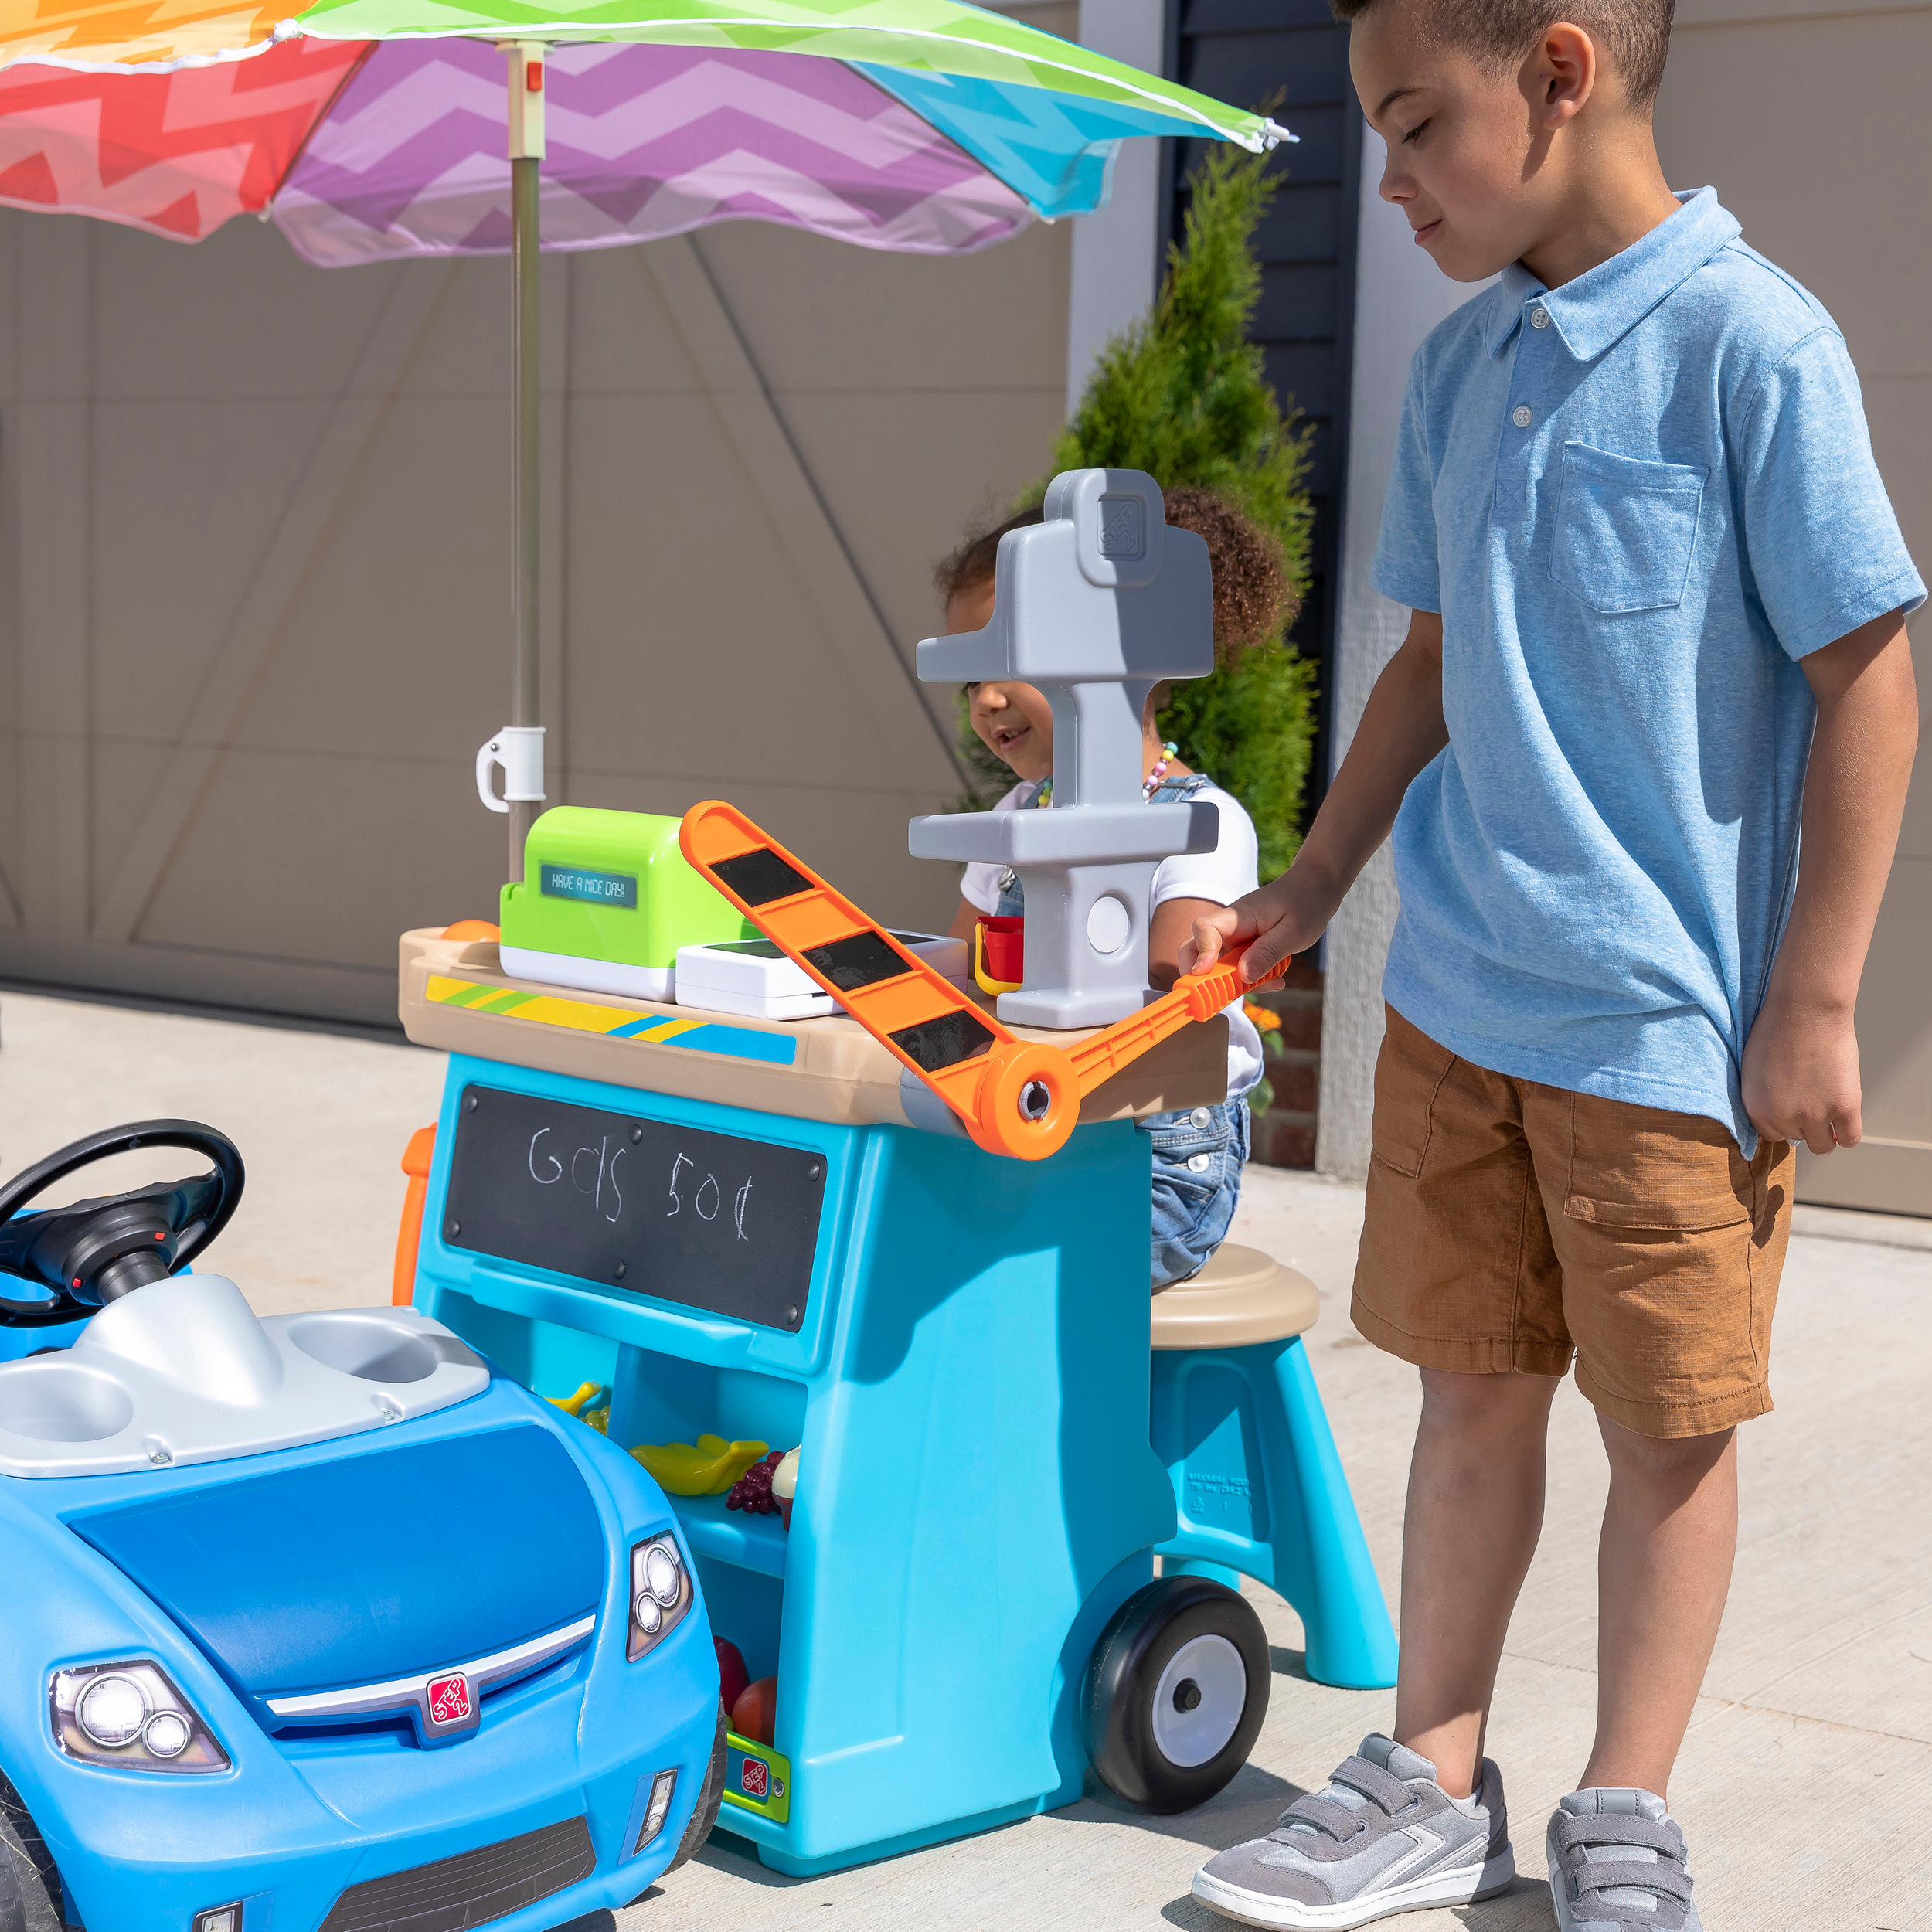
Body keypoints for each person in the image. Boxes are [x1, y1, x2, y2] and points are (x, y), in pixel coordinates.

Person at [1184, 2, 1922, 1928]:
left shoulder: (1751, 345)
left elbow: (1867, 677)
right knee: (1469, 1391)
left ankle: (1625, 1802)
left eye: (1418, 126)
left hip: (1664, 1034)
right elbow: (1431, 662)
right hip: (1456, 1003)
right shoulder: (1459, 361)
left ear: (1566, 73)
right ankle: (1433, 1774)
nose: (1394, 179)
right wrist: (1325, 874)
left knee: (1667, 1437)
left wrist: (1816, 996)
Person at [935, 488, 1298, 1287]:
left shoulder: (1199, 822)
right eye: (969, 680)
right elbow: (958, 973)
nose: (987, 699)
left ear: (1115, 654)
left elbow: (1163, 1015)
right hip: (1035, 1123)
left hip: (1158, 1160)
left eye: (1009, 664)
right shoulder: (1016, 815)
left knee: (992, 1275)